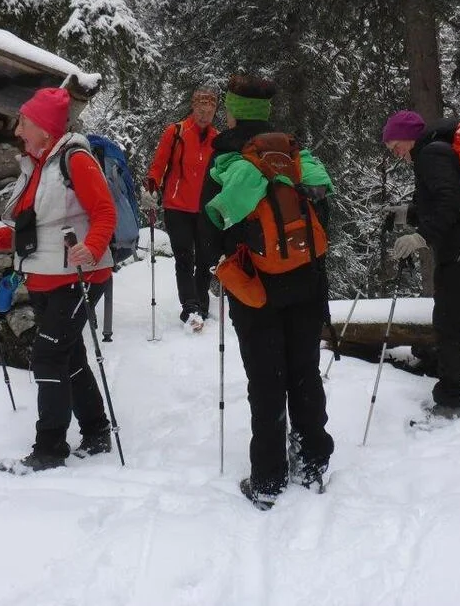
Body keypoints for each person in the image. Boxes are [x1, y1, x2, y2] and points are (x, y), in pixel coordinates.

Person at [0, 87, 115, 473]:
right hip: (46, 276)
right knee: (69, 355)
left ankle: (49, 450)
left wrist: (92, 248)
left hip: (78, 276)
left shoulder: (75, 160)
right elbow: (32, 230)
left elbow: (104, 212)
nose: (17, 130)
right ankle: (97, 432)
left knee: (48, 356)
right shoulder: (37, 166)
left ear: (45, 128)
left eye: (23, 122)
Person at [203, 74, 334, 509]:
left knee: (266, 378)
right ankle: (313, 459)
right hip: (306, 278)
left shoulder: (225, 155)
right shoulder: (295, 153)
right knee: (304, 370)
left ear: (234, 109)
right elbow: (323, 214)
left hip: (255, 285)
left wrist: (216, 266)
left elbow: (214, 225)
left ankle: (268, 478)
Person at [382, 111, 460, 421]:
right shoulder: (442, 151)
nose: (396, 152)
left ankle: (449, 402)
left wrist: (421, 237)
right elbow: (446, 202)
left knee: (448, 327)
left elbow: (451, 203)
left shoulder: (431, 154)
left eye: (396, 145)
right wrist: (407, 213)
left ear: (411, 136)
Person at [142, 88, 220, 330]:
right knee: (184, 258)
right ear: (193, 107)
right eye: (200, 109)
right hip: (177, 206)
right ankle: (191, 308)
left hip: (206, 208)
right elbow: (159, 164)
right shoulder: (176, 132)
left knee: (206, 259)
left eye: (209, 110)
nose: (204, 115)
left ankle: (202, 303)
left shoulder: (218, 139)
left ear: (215, 111)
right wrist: (151, 186)